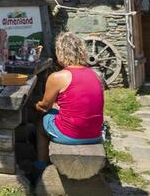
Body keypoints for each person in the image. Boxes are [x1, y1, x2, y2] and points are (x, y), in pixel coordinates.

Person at [33, 32, 105, 174]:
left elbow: (44, 107)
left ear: (60, 53)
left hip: (71, 135)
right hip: (95, 133)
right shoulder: (96, 75)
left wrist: (35, 105)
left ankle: (40, 167)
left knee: (40, 124)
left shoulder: (58, 77)